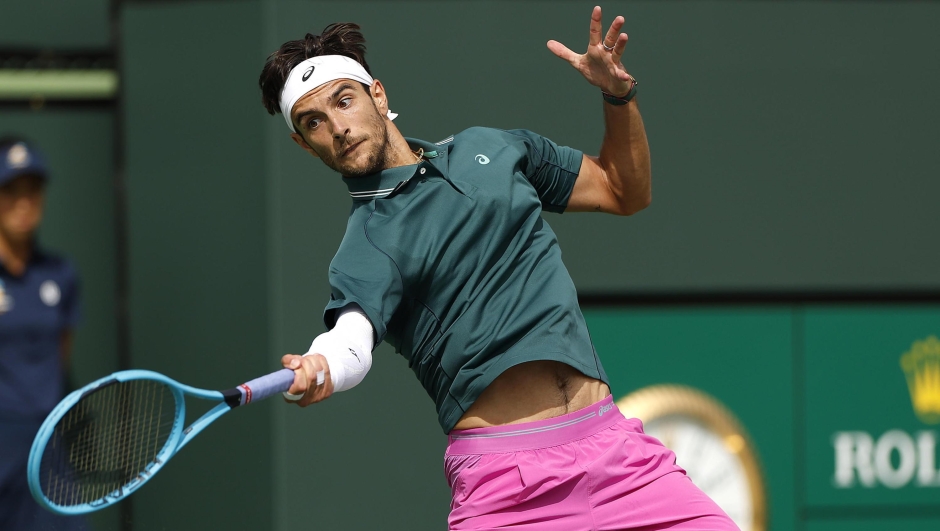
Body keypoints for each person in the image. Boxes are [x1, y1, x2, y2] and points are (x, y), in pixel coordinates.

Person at [259, 7, 738, 530]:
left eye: (343, 101)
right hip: (508, 491)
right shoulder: (365, 246)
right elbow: (350, 338)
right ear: (303, 145)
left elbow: (625, 190)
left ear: (378, 94)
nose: (338, 128)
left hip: (617, 455)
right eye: (314, 123)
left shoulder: (493, 148)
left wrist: (617, 97)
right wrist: (321, 364)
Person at [0, 137, 86, 530]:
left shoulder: (60, 274)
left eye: (32, 191)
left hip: (50, 451)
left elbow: (60, 355)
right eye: (10, 191)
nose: (23, 202)